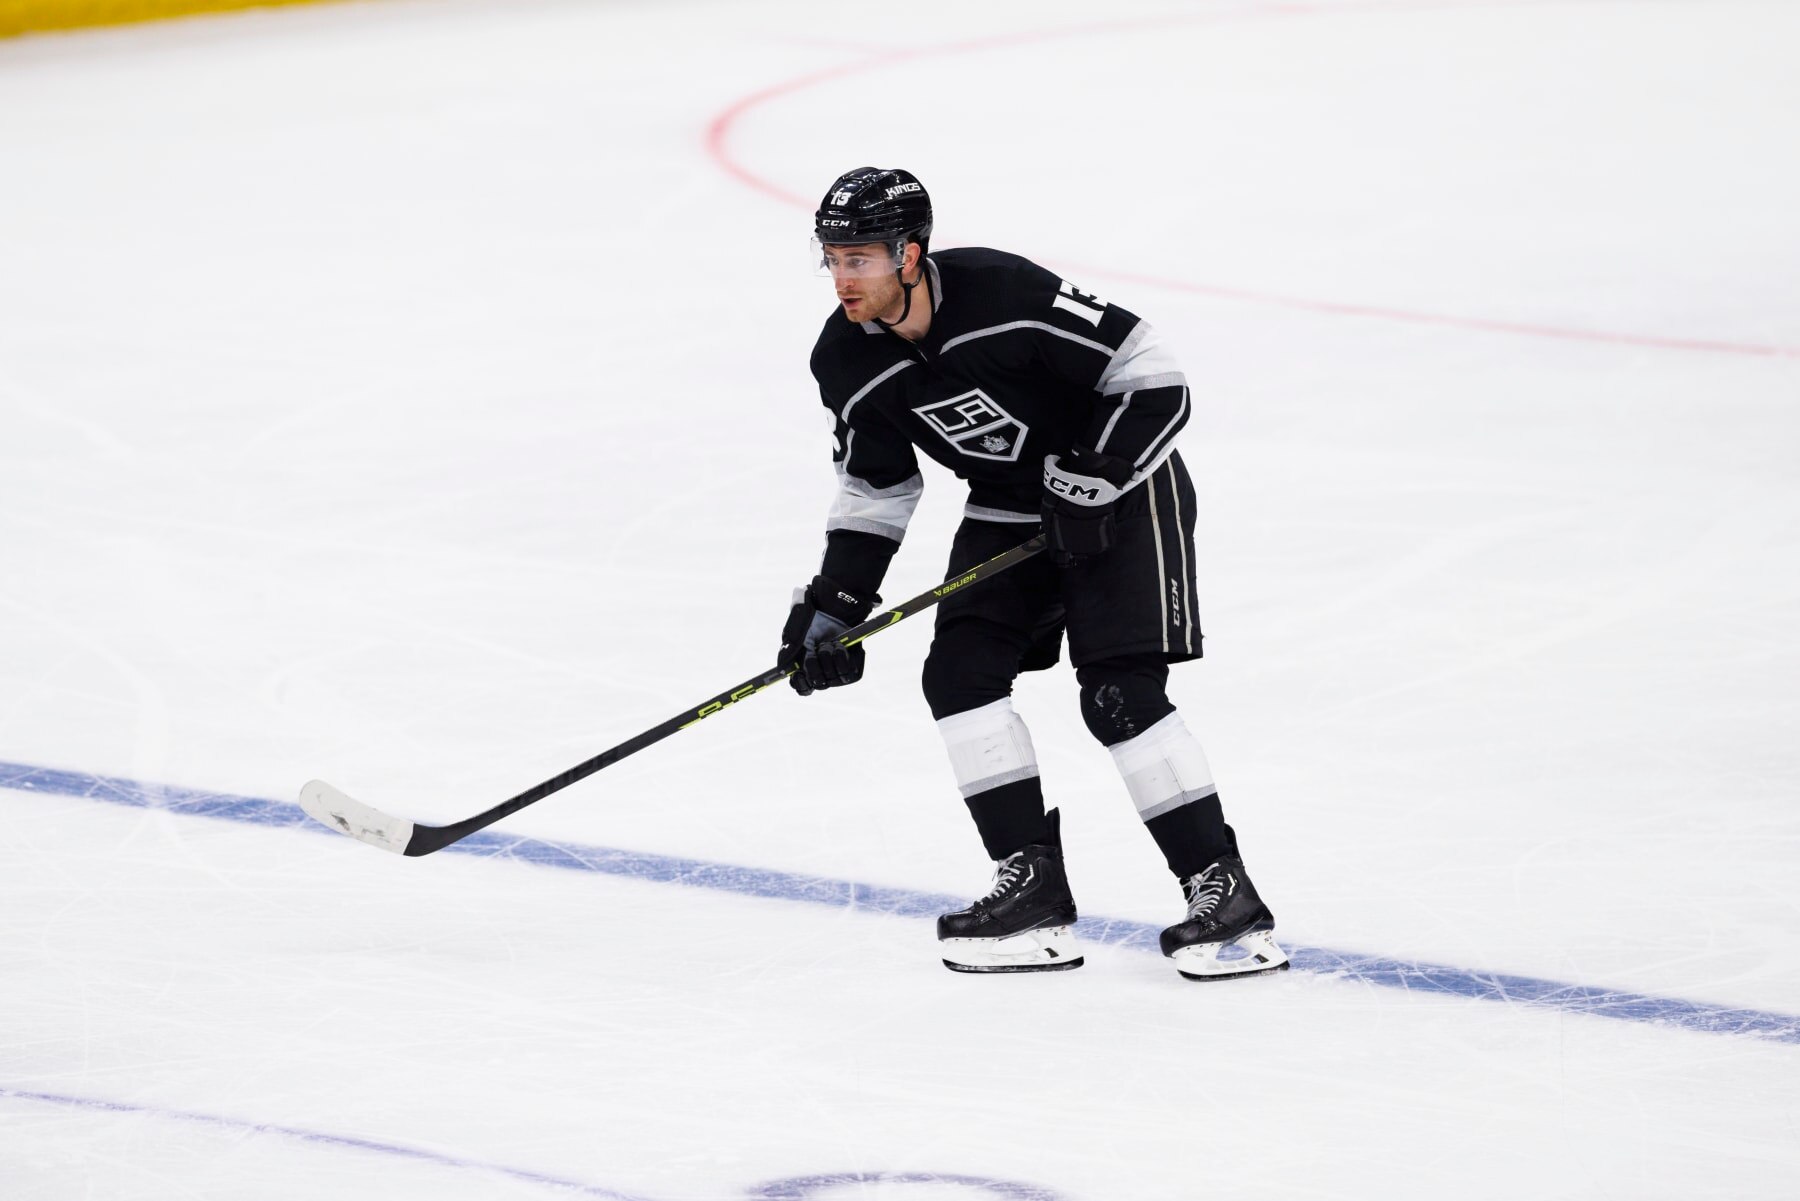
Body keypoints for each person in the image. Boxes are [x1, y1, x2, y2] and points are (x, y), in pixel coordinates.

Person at [778, 166, 1288, 981]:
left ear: (910, 255)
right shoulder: (845, 359)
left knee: (1118, 694)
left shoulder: (1003, 290)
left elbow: (1152, 373)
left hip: (1124, 490)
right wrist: (836, 604)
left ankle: (1224, 896)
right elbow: (878, 486)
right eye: (832, 258)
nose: (843, 277)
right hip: (1012, 503)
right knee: (958, 676)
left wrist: (1099, 475)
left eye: (861, 258)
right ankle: (1033, 890)